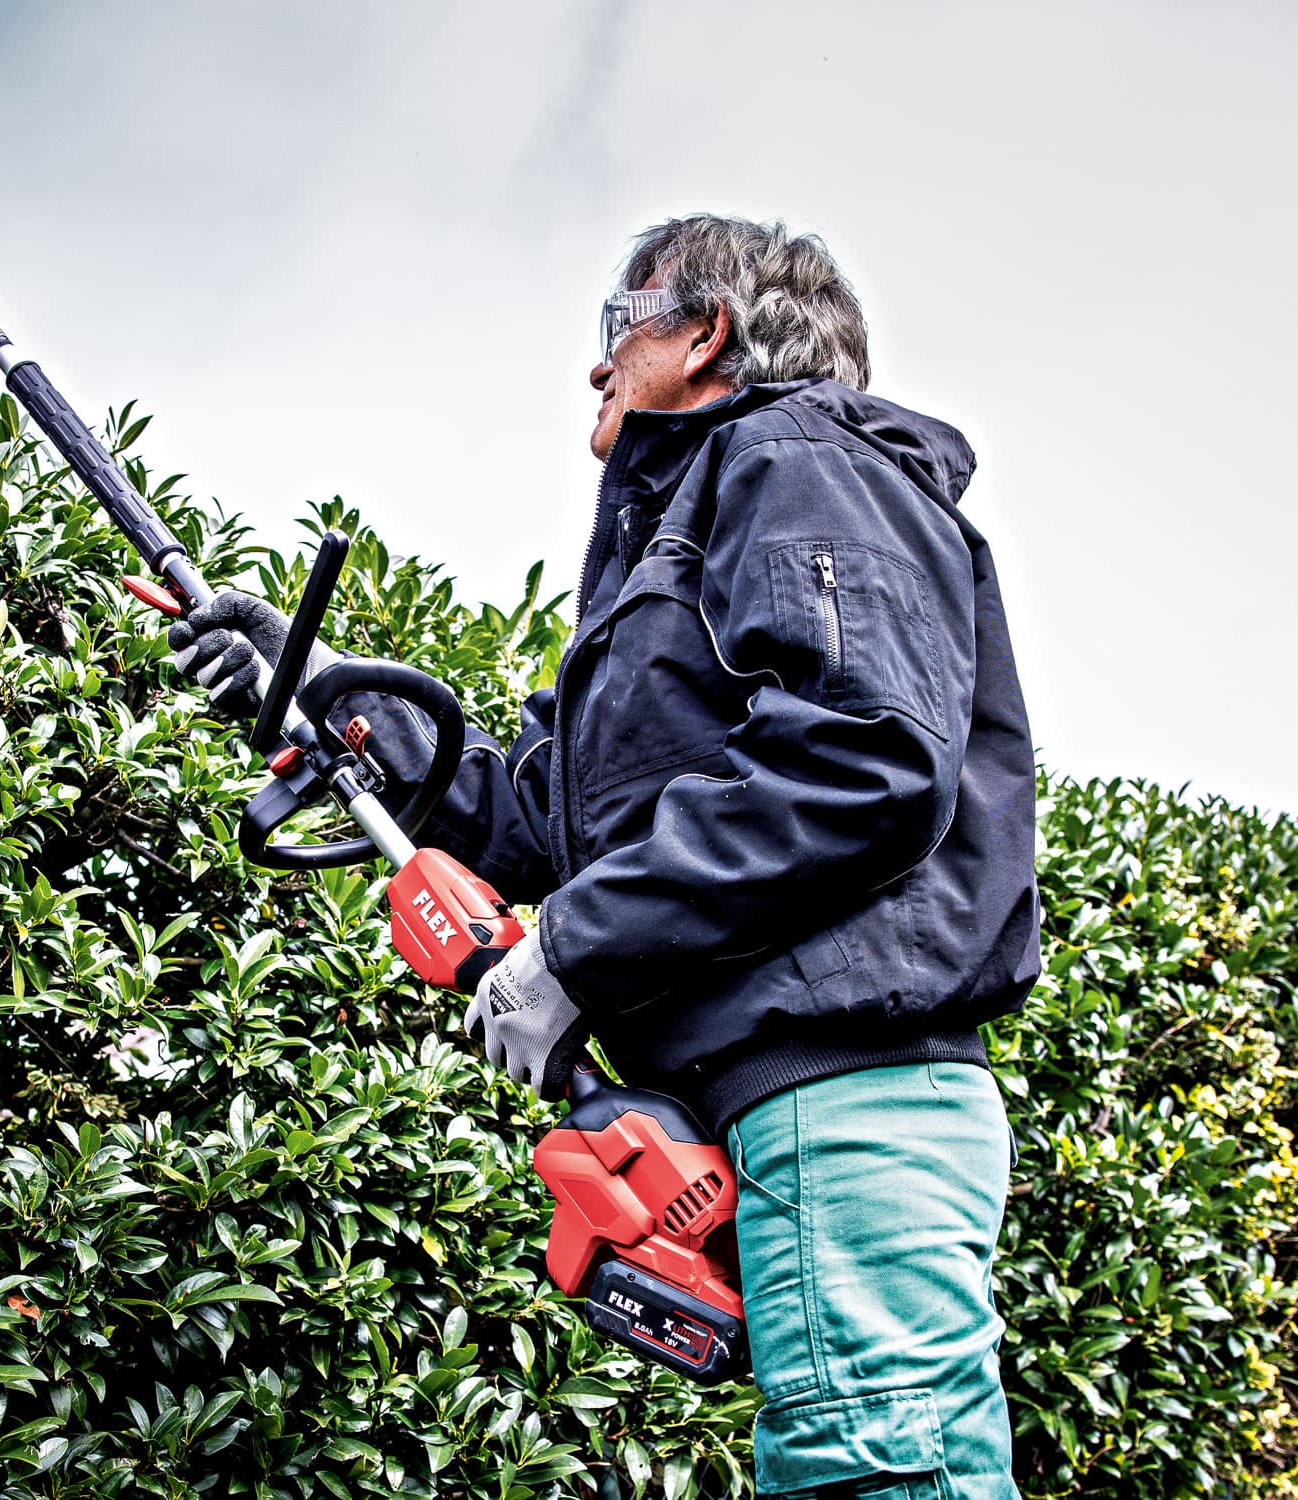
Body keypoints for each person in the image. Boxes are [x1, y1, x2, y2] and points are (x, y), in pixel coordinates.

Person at [167, 214, 1038, 1500]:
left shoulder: (793, 458)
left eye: (614, 327)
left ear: (705, 335)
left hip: (841, 1090)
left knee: (868, 1473)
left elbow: (861, 757)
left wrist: (576, 947)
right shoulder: (668, 550)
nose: (594, 367)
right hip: (775, 1102)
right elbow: (534, 819)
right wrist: (322, 709)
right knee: (886, 1466)